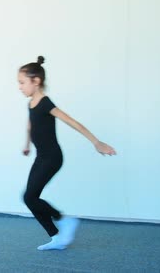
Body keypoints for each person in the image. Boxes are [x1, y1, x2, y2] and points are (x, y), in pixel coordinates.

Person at [18, 56, 116, 250]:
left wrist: (96, 142)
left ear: (36, 81)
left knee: (30, 197)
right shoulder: (30, 104)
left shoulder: (45, 103)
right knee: (30, 198)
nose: (19, 87)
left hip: (52, 158)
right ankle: (57, 237)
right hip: (41, 157)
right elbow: (30, 125)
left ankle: (63, 220)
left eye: (22, 83)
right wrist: (27, 144)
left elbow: (72, 122)